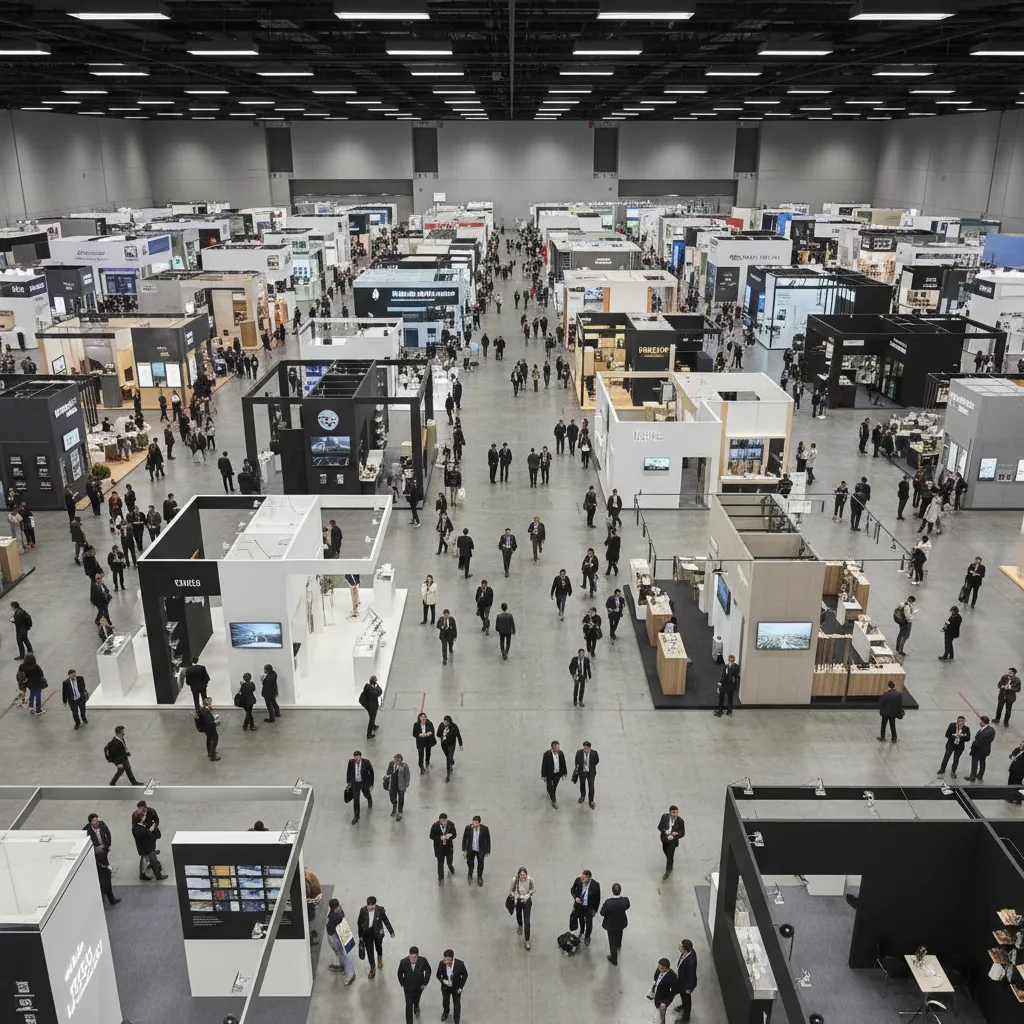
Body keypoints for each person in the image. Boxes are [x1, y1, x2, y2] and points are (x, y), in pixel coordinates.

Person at [325, 898, 357, 984]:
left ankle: (350, 973)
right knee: (341, 953)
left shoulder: (333, 917)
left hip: (334, 936)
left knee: (343, 953)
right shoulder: (340, 912)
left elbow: (330, 930)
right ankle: (343, 966)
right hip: (341, 934)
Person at [397, 947, 431, 1024]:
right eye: (411, 957)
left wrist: (425, 983)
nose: (413, 959)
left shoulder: (423, 961)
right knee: (409, 1006)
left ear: (417, 956)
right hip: (408, 987)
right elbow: (399, 973)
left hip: (419, 986)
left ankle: (416, 1007)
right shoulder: (403, 962)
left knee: (417, 999)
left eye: (415, 957)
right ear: (409, 956)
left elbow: (428, 970)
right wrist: (402, 983)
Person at [132, 805, 166, 880]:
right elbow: (147, 834)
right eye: (143, 816)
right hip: (148, 847)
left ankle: (143, 875)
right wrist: (151, 829)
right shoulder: (140, 829)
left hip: (143, 847)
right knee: (153, 860)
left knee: (144, 860)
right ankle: (158, 876)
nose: (145, 817)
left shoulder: (135, 827)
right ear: (140, 818)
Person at [600, 882, 630, 966]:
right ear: (620, 891)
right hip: (621, 922)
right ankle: (619, 945)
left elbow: (602, 913)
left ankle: (614, 959)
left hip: (611, 925)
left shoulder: (608, 903)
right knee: (620, 934)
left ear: (612, 891)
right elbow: (627, 906)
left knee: (612, 942)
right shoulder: (625, 900)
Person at [569, 869, 601, 945]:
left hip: (589, 908)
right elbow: (572, 890)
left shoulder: (595, 885)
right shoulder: (578, 880)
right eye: (581, 877)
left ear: (589, 878)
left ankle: (587, 936)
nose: (582, 879)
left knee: (589, 923)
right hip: (580, 906)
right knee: (581, 919)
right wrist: (575, 897)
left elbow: (597, 899)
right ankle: (582, 930)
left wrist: (595, 910)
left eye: (584, 878)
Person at [435, 949, 468, 1024]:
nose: (445, 961)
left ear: (451, 958)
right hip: (445, 987)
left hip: (456, 988)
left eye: (447, 959)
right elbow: (438, 975)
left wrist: (461, 987)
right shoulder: (441, 963)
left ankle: (457, 1020)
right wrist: (443, 980)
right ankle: (446, 1012)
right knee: (445, 1002)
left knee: (456, 1005)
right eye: (445, 959)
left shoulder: (460, 964)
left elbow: (465, 975)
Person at [510, 867, 536, 950]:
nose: (523, 877)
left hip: (527, 902)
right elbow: (511, 890)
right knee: (518, 914)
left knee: (527, 921)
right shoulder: (515, 880)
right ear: (518, 875)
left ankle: (527, 941)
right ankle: (520, 925)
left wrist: (528, 895)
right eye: (521, 875)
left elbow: (534, 889)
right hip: (518, 900)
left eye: (524, 875)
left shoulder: (530, 880)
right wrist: (515, 895)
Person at [430, 812, 458, 885]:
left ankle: (450, 866)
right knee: (440, 863)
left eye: (445, 821)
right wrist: (439, 838)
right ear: (439, 820)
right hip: (439, 848)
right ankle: (441, 878)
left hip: (448, 847)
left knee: (449, 860)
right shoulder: (435, 826)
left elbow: (455, 834)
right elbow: (431, 836)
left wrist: (450, 835)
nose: (444, 822)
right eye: (442, 821)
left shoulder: (451, 824)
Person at [347, 750, 374, 824]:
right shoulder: (351, 762)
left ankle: (369, 799)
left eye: (358, 757)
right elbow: (348, 772)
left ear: (361, 757)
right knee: (356, 800)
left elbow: (371, 773)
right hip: (355, 784)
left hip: (364, 782)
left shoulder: (366, 762)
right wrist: (349, 782)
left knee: (366, 793)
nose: (357, 759)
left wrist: (371, 784)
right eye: (355, 757)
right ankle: (356, 816)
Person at [461, 815, 490, 885]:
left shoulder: (485, 829)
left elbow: (488, 840)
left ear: (479, 823)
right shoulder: (468, 828)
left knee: (480, 864)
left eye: (476, 823)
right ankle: (470, 875)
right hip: (471, 849)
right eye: (473, 823)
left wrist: (487, 851)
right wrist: (464, 850)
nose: (474, 825)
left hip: (480, 850)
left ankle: (479, 877)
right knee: (470, 864)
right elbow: (464, 839)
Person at [967, 716, 997, 782]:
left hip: (978, 751)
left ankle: (972, 777)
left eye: (980, 721)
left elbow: (979, 743)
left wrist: (974, 742)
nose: (979, 722)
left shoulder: (984, 732)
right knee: (982, 762)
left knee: (974, 764)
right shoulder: (992, 730)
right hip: (985, 750)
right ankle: (980, 775)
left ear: (983, 722)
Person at [658, 805, 684, 880]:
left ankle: (668, 870)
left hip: (673, 840)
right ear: (670, 812)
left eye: (676, 812)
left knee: (670, 855)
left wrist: (676, 834)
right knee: (666, 851)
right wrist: (665, 831)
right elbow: (659, 827)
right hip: (665, 839)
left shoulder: (680, 821)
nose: (675, 814)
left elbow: (682, 833)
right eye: (673, 813)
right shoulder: (664, 817)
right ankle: (671, 861)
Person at [675, 939, 698, 1021]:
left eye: (680, 947)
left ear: (685, 949)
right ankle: (684, 1006)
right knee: (683, 996)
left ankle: (686, 1018)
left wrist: (689, 988)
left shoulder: (690, 962)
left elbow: (691, 976)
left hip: (686, 984)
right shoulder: (688, 952)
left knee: (686, 998)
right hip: (682, 981)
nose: (679, 948)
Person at [384, 753, 411, 820]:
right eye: (395, 760)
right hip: (392, 784)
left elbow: (407, 776)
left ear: (401, 761)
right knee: (392, 797)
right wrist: (387, 776)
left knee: (401, 799)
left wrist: (406, 785)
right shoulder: (391, 764)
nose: (396, 762)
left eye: (398, 761)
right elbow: (388, 772)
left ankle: (400, 812)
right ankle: (394, 805)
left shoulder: (404, 766)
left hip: (401, 786)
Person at [541, 740, 567, 808]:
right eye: (555, 748)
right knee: (549, 787)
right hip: (549, 774)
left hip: (558, 774)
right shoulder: (546, 754)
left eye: (558, 747)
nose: (557, 749)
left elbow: (563, 763)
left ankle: (552, 796)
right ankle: (554, 801)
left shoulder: (561, 753)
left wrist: (565, 773)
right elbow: (543, 765)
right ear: (552, 748)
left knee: (554, 787)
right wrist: (543, 775)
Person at [438, 715, 463, 782]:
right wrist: (442, 733)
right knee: (448, 757)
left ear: (449, 722)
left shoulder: (454, 727)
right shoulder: (441, 725)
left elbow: (458, 735)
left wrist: (460, 745)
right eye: (444, 722)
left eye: (446, 722)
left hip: (451, 745)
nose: (445, 723)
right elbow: (438, 734)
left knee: (448, 759)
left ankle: (448, 775)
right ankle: (452, 761)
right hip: (444, 744)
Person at [575, 740, 599, 808]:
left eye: (587, 748)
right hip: (582, 772)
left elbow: (597, 761)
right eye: (584, 748)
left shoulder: (594, 753)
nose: (585, 749)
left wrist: (590, 767)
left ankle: (591, 800)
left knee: (591, 787)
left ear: (590, 748)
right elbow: (577, 762)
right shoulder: (579, 752)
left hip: (590, 773)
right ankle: (582, 796)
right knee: (582, 784)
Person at [199, 696, 220, 761]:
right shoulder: (206, 711)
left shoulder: (203, 709)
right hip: (210, 728)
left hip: (206, 728)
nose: (211, 704)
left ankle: (210, 752)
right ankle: (213, 756)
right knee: (215, 740)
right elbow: (208, 722)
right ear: (207, 704)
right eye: (210, 703)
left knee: (209, 739)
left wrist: (213, 717)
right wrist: (216, 722)